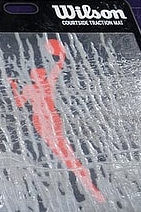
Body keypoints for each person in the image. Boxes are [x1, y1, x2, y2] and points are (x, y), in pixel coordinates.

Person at [8, 38, 105, 203]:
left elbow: (59, 66)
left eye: (42, 74)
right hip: (39, 119)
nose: (41, 76)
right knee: (59, 151)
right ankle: (83, 181)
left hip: (52, 117)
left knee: (64, 149)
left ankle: (88, 184)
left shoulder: (48, 83)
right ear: (33, 77)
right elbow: (19, 103)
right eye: (38, 75)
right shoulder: (29, 89)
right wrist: (14, 88)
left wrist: (60, 53)